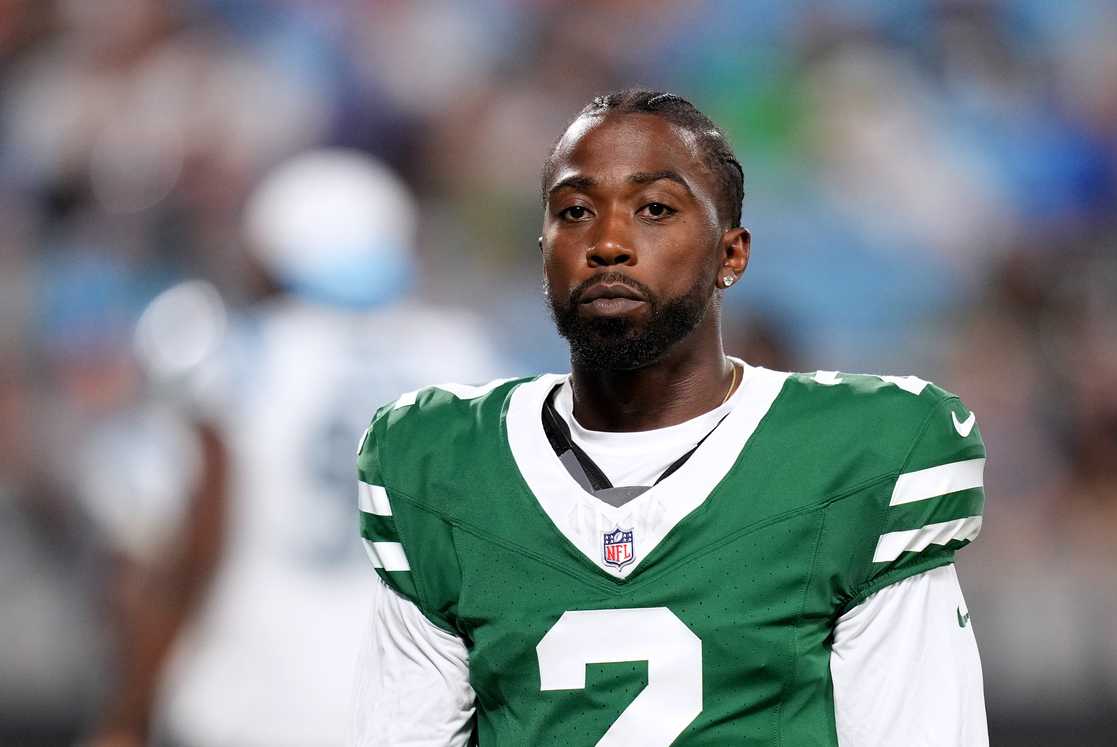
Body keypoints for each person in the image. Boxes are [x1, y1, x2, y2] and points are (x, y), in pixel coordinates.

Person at [351, 90, 988, 746]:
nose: (607, 242)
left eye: (654, 208)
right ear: (543, 248)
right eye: (575, 211)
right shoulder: (444, 465)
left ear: (730, 255)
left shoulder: (859, 459)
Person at [82, 150, 506, 747]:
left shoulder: (233, 355)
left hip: (256, 704)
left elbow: (169, 548)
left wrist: (127, 713)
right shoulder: (469, 360)